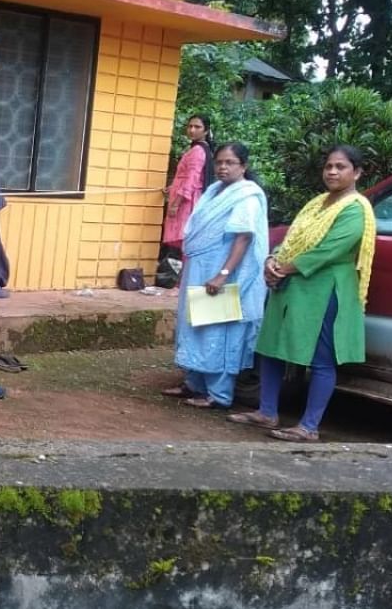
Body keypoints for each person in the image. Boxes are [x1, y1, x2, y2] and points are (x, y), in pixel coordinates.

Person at [228, 145, 377, 442]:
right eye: (328, 166)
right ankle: (266, 412)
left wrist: (282, 269)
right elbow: (293, 238)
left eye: (341, 167)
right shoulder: (317, 203)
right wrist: (273, 259)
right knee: (270, 347)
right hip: (292, 284)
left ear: (357, 172)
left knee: (321, 358)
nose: (332, 172)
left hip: (324, 288)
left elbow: (328, 251)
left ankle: (309, 427)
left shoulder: (356, 209)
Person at [161, 142, 268, 409]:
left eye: (230, 162)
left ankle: (219, 395)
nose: (222, 167)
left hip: (224, 273)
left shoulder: (247, 195)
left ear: (243, 166)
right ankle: (194, 384)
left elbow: (243, 237)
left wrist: (222, 274)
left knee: (218, 330)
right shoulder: (214, 190)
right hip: (200, 268)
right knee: (195, 325)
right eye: (219, 162)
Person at [162, 114, 214, 252]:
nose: (192, 130)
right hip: (188, 198)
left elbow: (191, 180)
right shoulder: (201, 149)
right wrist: (173, 187)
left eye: (197, 127)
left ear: (206, 131)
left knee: (185, 243)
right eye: (190, 126)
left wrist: (175, 204)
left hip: (186, 203)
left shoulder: (197, 151)